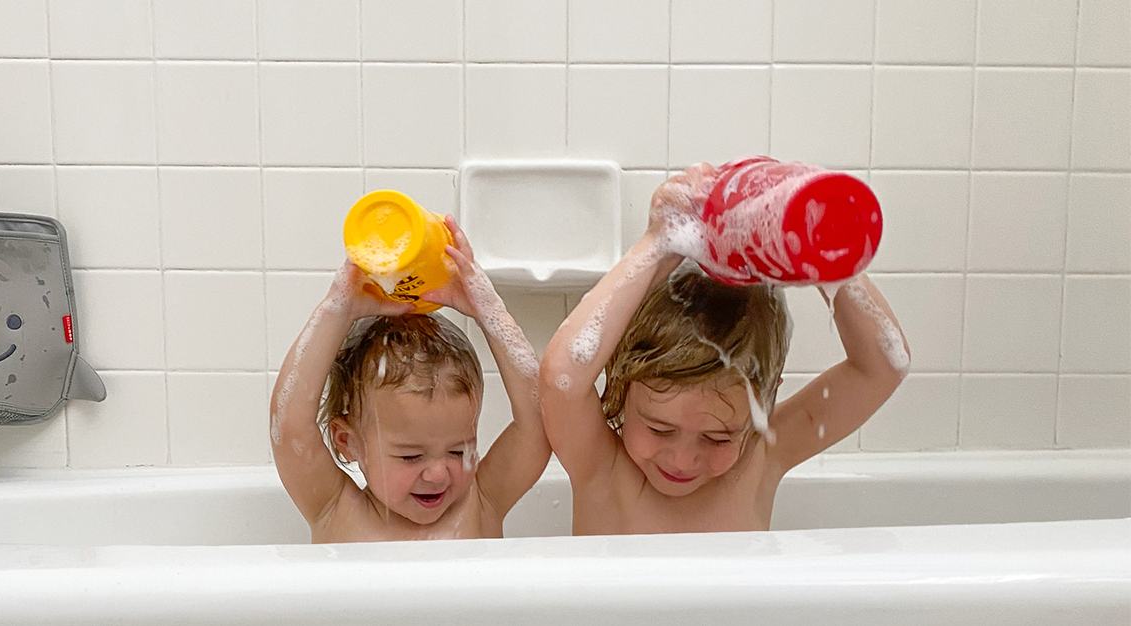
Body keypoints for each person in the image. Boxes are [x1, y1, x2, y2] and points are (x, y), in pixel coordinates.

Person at [540, 163, 909, 535]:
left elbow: (882, 367)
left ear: (763, 402)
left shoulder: (763, 456)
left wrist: (826, 255)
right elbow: (561, 379)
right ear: (621, 379)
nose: (682, 460)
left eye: (718, 438)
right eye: (658, 429)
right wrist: (659, 243)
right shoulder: (602, 468)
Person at [271, 215, 550, 542]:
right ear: (347, 443)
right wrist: (337, 309)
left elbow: (539, 421)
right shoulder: (335, 508)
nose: (437, 474)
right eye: (410, 456)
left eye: (459, 452)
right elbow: (289, 427)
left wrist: (490, 312)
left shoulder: (482, 501)